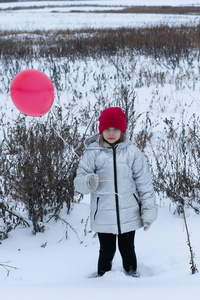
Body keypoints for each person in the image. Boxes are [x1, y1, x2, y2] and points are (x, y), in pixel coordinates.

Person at [74, 107, 157, 277]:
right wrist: (88, 182)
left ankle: (133, 278)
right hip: (103, 214)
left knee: (127, 250)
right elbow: (78, 182)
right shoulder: (92, 153)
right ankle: (102, 280)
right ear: (101, 130)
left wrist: (148, 214)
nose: (111, 133)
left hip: (129, 213)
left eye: (115, 129)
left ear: (122, 130)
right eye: (107, 129)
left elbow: (145, 184)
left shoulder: (132, 153)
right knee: (106, 251)